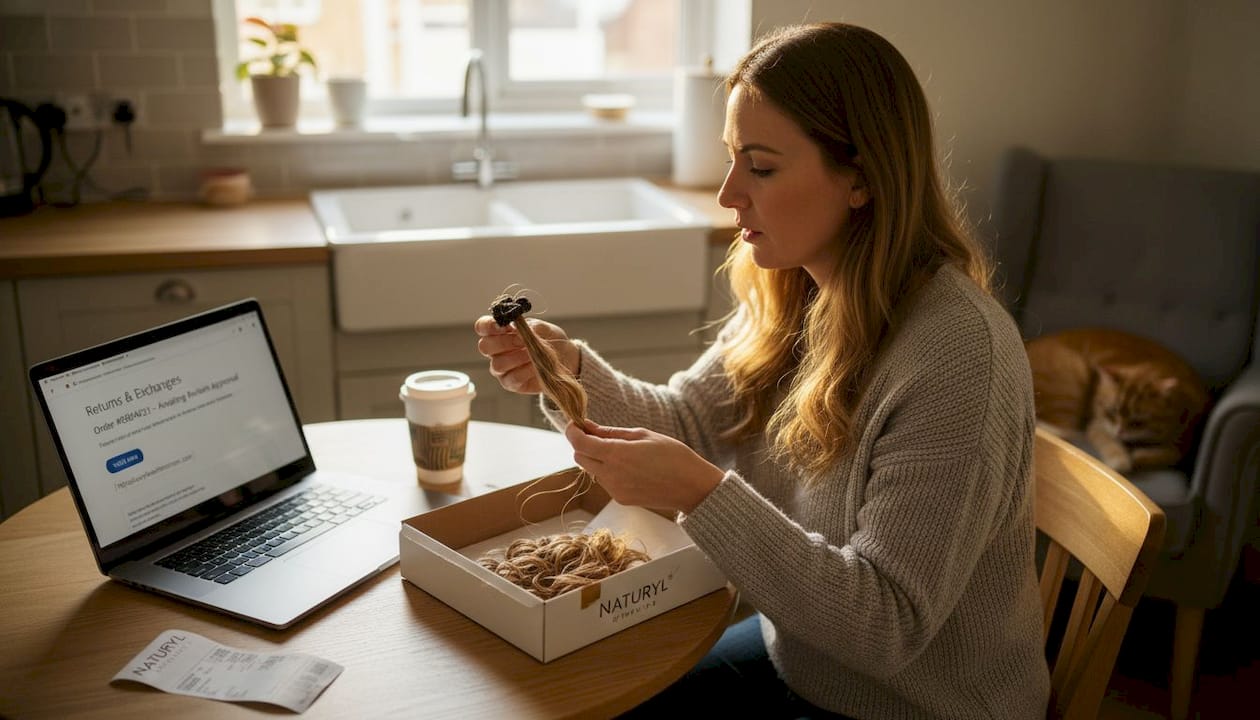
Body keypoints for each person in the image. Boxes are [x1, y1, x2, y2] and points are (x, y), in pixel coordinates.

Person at [474, 22, 1049, 720]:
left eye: (762, 166)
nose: (727, 193)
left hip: (909, 706)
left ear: (862, 177)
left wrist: (701, 492)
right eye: (731, 158)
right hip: (803, 662)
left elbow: (886, 623)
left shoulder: (957, 359)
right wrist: (567, 375)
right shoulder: (803, 290)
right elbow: (688, 421)